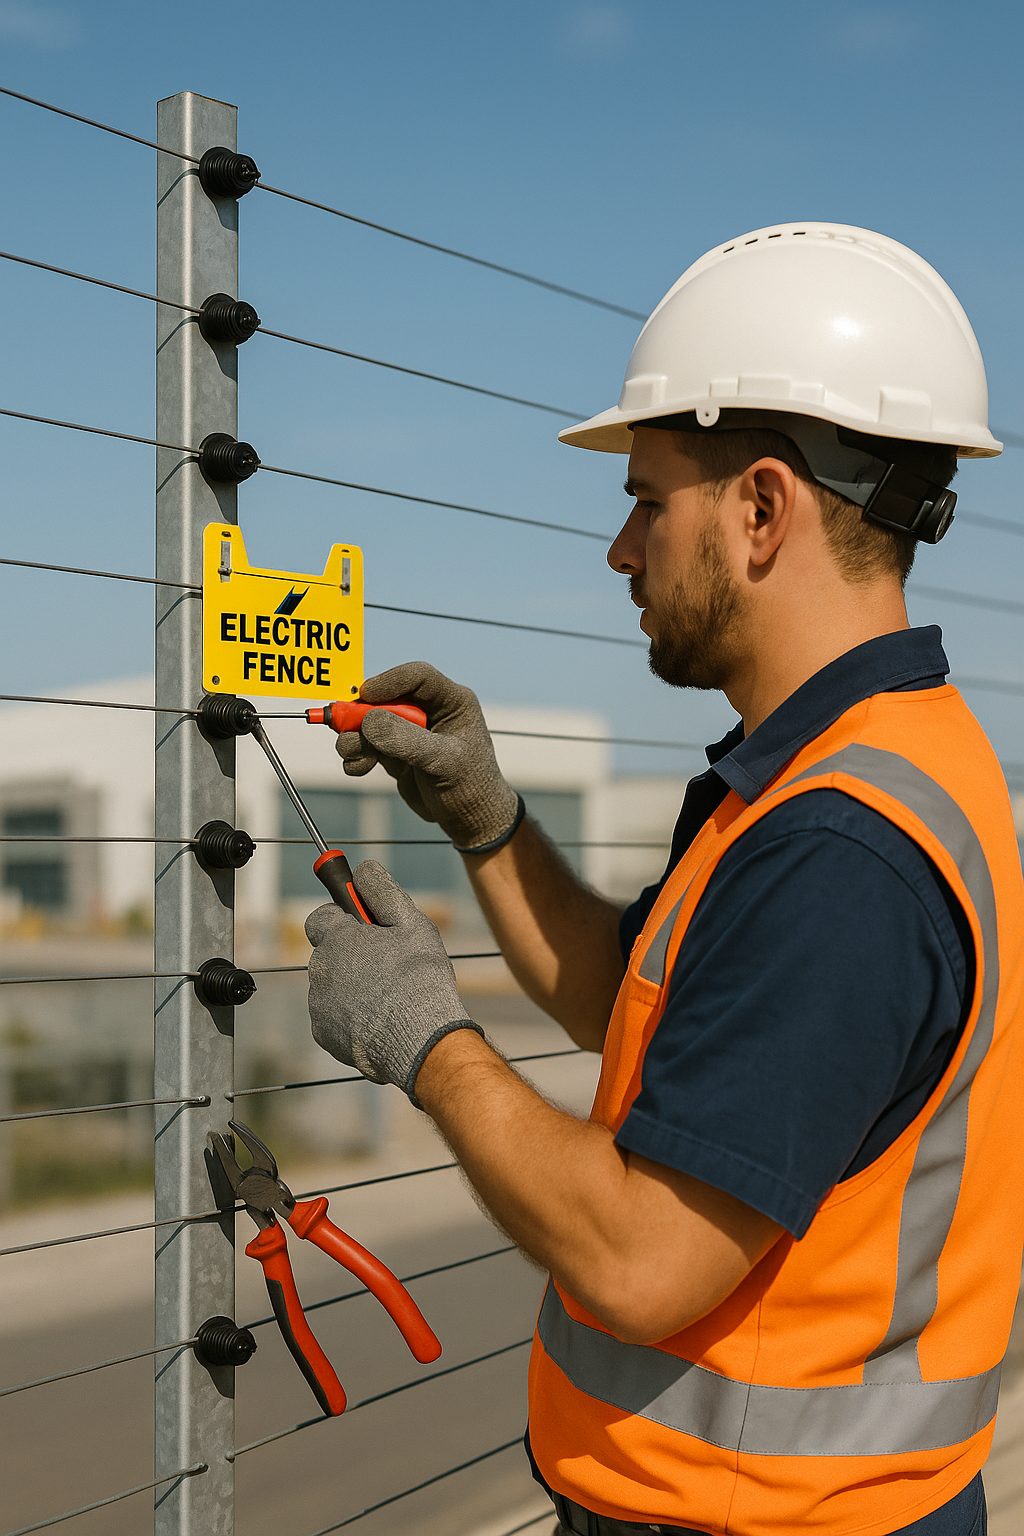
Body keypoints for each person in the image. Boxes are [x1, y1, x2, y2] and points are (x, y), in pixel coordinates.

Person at [304, 224, 1024, 1536]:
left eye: (648, 499)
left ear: (761, 507)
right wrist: (488, 819)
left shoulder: (839, 850)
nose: (621, 550)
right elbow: (634, 1011)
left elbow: (642, 1262)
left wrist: (426, 1040)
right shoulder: (861, 761)